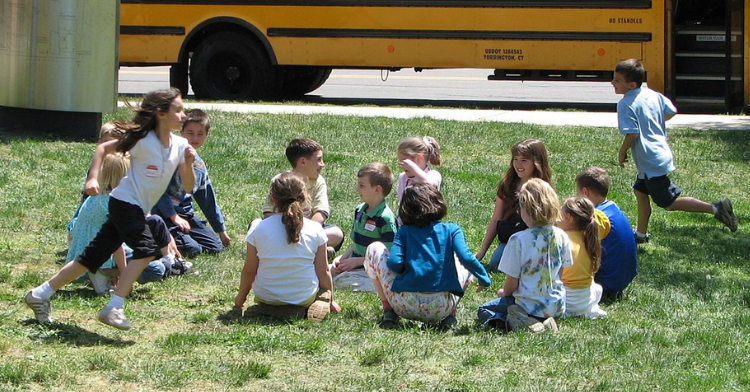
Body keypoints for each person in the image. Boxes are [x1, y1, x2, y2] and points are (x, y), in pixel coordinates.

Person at [24, 87, 196, 330]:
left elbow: (188, 187)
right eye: (177, 109)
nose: (183, 115)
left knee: (91, 258)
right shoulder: (142, 141)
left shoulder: (180, 145)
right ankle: (114, 306)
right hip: (125, 203)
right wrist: (92, 178)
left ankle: (40, 294)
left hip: (133, 207)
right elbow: (103, 149)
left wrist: (188, 163)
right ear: (160, 114)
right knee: (146, 251)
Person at [613, 58, 738, 244]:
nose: (612, 83)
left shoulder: (625, 104)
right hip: (659, 153)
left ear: (631, 85)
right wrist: (653, 121)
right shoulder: (651, 95)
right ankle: (640, 234)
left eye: (617, 80)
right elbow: (671, 110)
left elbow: (632, 134)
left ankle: (717, 209)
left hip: (650, 160)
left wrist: (622, 152)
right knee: (640, 191)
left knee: (668, 203)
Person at [365, 183, 491, 330]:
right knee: (460, 258)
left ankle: (389, 310)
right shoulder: (452, 230)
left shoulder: (404, 232)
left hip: (403, 304)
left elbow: (394, 263)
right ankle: (450, 316)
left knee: (374, 248)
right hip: (440, 308)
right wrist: (484, 277)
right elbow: (467, 258)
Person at [236, 172, 341, 321]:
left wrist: (240, 299)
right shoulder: (316, 229)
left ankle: (268, 308)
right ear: (304, 198)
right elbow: (323, 271)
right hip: (303, 297)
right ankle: (312, 303)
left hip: (265, 296)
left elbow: (249, 270)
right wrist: (331, 298)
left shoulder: (258, 228)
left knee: (266, 296)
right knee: (317, 288)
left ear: (273, 199)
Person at [477, 178, 572, 333]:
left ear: (526, 209)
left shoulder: (518, 240)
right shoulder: (562, 236)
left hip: (528, 306)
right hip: (557, 305)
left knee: (484, 309)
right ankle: (547, 322)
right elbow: (560, 274)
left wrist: (504, 293)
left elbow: (511, 285)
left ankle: (524, 323)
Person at [152, 108, 231, 257]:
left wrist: (221, 230)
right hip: (164, 215)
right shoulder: (169, 157)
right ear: (181, 131)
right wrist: (173, 217)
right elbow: (158, 192)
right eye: (190, 132)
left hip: (185, 214)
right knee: (193, 249)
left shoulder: (199, 165)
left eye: (200, 133)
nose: (195, 137)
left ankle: (181, 235)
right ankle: (161, 239)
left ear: (206, 135)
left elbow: (207, 198)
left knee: (215, 246)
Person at [475, 139, 553, 272]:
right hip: (511, 238)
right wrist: (482, 251)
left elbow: (549, 221)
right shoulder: (507, 184)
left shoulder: (543, 188)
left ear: (537, 162)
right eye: (515, 159)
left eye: (524, 160)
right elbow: (496, 218)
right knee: (496, 263)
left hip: (535, 239)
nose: (518, 164)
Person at [261, 138, 344, 256]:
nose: (322, 164)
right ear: (303, 161)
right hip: (282, 228)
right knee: (255, 225)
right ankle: (313, 250)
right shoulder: (280, 180)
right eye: (319, 160)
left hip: (308, 228)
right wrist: (288, 230)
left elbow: (321, 212)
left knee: (336, 234)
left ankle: (290, 249)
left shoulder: (318, 181)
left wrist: (305, 231)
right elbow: (268, 213)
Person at [66, 153, 129, 295]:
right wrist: (126, 275)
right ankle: (100, 272)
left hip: (83, 241)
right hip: (95, 249)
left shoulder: (97, 195)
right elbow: (116, 244)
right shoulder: (110, 203)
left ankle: (102, 273)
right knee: (103, 290)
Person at [331, 163, 397, 292]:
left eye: (361, 186)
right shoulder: (360, 210)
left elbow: (388, 256)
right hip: (355, 264)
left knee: (342, 282)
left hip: (372, 270)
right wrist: (341, 258)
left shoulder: (386, 218)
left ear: (377, 189)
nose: (357, 189)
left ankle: (378, 286)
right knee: (324, 272)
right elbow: (355, 245)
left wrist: (358, 262)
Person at [576, 167, 638, 300]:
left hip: (607, 282)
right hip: (622, 278)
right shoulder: (612, 207)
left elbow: (582, 251)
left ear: (585, 192)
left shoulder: (598, 217)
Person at [558, 197, 607, 319]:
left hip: (566, 303)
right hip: (585, 302)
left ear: (567, 217)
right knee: (597, 288)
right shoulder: (589, 240)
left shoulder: (562, 240)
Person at [395, 136, 442, 205]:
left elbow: (430, 185)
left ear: (418, 158)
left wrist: (412, 167)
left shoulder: (433, 175)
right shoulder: (403, 178)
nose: (402, 165)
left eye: (405, 161)